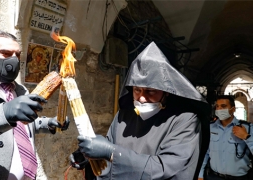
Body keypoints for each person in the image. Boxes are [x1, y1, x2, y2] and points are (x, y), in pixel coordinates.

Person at [69, 42, 210, 180]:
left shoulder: (185, 120)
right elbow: (109, 148)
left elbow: (168, 170)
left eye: (150, 91)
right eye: (137, 90)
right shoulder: (124, 114)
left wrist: (112, 153)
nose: (142, 98)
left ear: (166, 92)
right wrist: (90, 157)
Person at [0, 30, 70, 180]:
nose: (14, 60)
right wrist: (4, 113)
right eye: (5, 54)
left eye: (17, 55)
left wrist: (47, 123)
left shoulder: (19, 89)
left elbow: (22, 126)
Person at [198, 95, 253, 180]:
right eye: (217, 106)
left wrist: (246, 137)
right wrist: (200, 174)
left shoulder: (247, 128)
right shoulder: (210, 127)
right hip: (214, 177)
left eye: (223, 106)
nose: (219, 109)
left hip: (239, 178)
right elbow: (205, 152)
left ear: (233, 109)